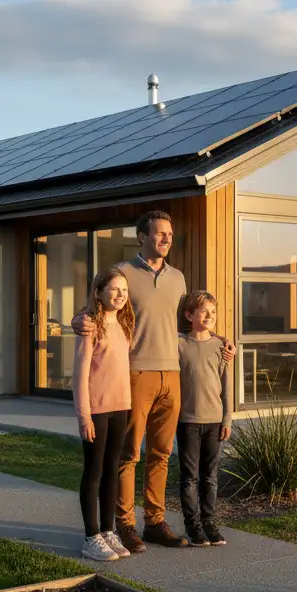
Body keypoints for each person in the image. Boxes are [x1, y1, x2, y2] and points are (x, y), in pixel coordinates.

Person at [72, 210, 235, 554]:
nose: (166, 240)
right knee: (129, 453)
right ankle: (125, 525)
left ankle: (155, 523)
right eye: (160, 234)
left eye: (170, 236)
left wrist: (221, 339)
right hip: (135, 374)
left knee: (161, 454)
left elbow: (188, 321)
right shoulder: (125, 274)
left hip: (172, 374)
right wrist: (78, 320)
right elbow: (101, 306)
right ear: (142, 236)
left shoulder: (178, 279)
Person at [71, 267, 135, 562]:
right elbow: (80, 376)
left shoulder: (124, 325)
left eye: (124, 290)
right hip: (96, 410)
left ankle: (109, 531)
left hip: (120, 407)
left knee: (112, 470)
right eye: (114, 289)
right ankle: (91, 537)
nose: (120, 295)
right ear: (99, 292)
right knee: (94, 471)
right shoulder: (89, 327)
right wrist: (84, 416)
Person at [177, 290, 231, 547]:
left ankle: (209, 523)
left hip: (214, 421)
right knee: (190, 476)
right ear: (189, 315)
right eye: (203, 311)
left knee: (210, 475)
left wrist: (227, 419)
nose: (209, 316)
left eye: (213, 312)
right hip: (187, 420)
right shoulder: (179, 343)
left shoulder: (221, 347)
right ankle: (193, 526)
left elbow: (226, 384)